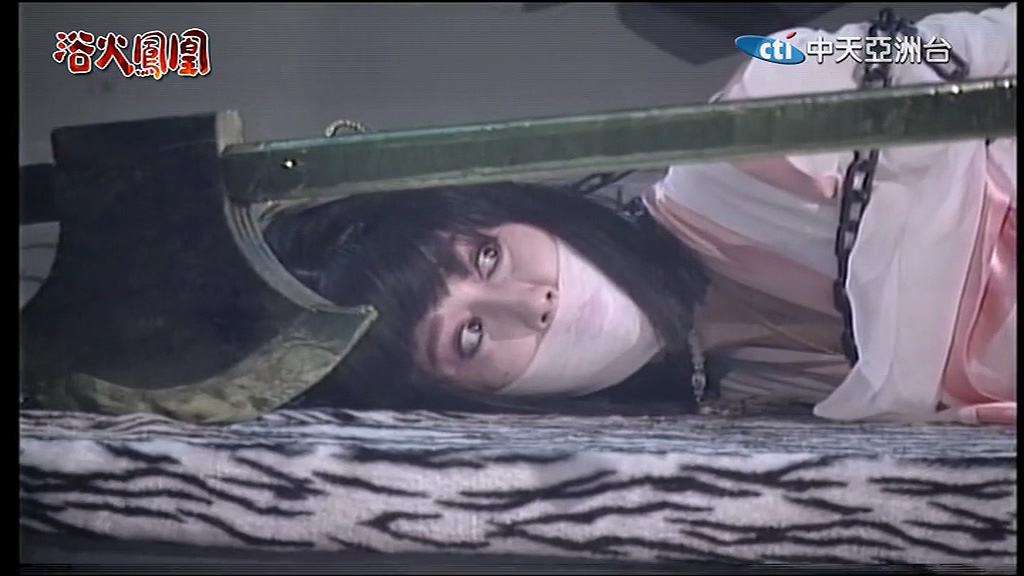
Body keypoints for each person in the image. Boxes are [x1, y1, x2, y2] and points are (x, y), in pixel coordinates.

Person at [267, 4, 1016, 425]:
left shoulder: (762, 118)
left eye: (487, 257)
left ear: (514, 209)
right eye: (470, 336)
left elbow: (992, 46)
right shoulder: (743, 398)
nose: (533, 303)